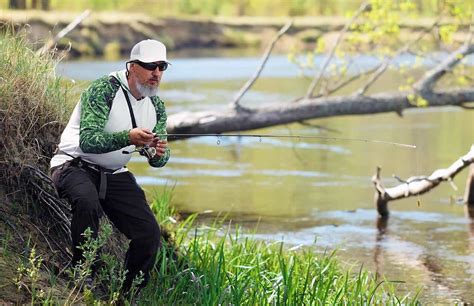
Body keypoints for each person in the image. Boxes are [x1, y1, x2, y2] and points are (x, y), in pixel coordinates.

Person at [50, 39, 171, 293]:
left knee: (149, 233)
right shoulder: (104, 89)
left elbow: (158, 160)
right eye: (150, 66)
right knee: (86, 199)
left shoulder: (157, 105)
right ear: (132, 66)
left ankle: (127, 294)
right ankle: (82, 273)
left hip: (115, 175)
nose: (156, 73)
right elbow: (89, 141)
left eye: (162, 67)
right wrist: (128, 137)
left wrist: (157, 152)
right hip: (73, 165)